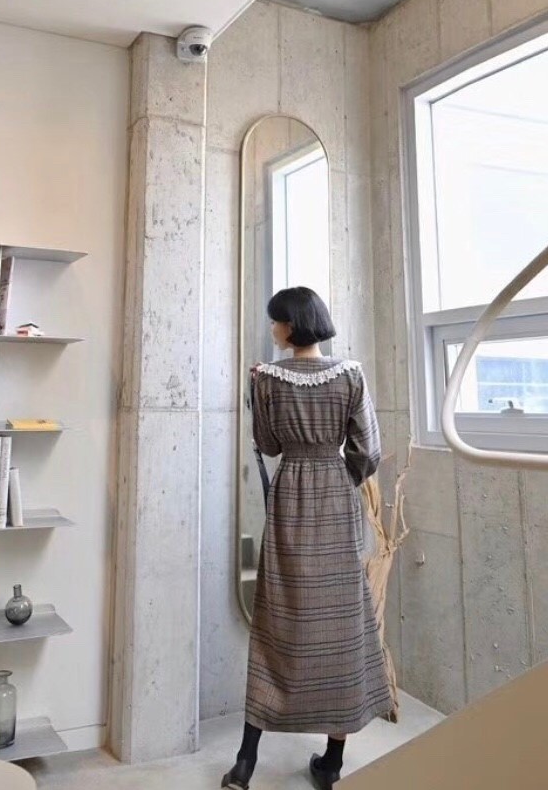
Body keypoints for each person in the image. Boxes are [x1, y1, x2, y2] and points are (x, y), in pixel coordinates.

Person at [222, 287, 392, 790]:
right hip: (336, 496)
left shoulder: (267, 378)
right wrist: (339, 476)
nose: (272, 328)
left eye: (275, 321)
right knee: (341, 621)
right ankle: (332, 763)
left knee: (277, 617)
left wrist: (263, 400)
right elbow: (368, 452)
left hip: (290, 494)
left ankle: (245, 762)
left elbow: (269, 444)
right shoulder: (352, 373)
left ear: (291, 325)